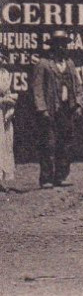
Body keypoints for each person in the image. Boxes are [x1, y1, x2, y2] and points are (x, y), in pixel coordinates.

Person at [32, 29, 83, 189]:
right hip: (50, 109)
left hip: (66, 108)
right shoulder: (43, 64)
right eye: (58, 45)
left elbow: (78, 86)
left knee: (66, 142)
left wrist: (79, 104)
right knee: (48, 143)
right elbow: (37, 89)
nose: (61, 48)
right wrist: (42, 109)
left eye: (64, 45)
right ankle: (46, 178)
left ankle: (61, 176)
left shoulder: (69, 64)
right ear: (52, 46)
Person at [0, 46, 18, 191]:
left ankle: (1, 180)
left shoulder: (5, 73)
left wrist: (10, 107)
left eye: (2, 56)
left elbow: (8, 92)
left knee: (4, 144)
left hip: (4, 114)